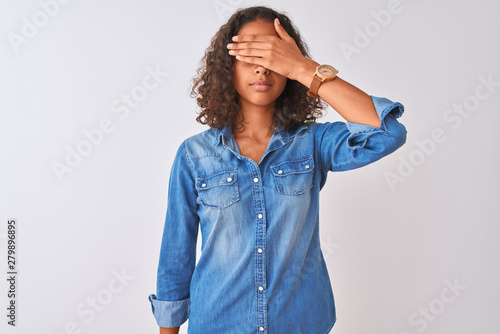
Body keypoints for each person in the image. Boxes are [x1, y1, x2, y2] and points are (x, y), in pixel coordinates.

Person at [148, 5, 407, 334]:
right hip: (218, 324)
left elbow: (387, 134)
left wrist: (304, 68)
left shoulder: (312, 143)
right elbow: (176, 252)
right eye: (250, 54)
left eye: (272, 56)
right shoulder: (194, 155)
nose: (262, 69)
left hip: (300, 324)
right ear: (228, 66)